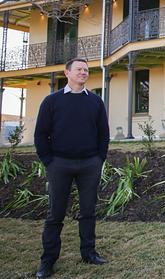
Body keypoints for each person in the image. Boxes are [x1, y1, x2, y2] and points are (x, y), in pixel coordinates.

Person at [34, 58, 110, 278]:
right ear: (67, 72)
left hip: (89, 164)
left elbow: (103, 133)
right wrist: (49, 160)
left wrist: (99, 159)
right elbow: (41, 134)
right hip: (59, 164)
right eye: (79, 69)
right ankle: (47, 261)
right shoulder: (52, 101)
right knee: (55, 215)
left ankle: (89, 253)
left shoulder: (95, 102)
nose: (83, 73)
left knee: (88, 212)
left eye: (86, 70)